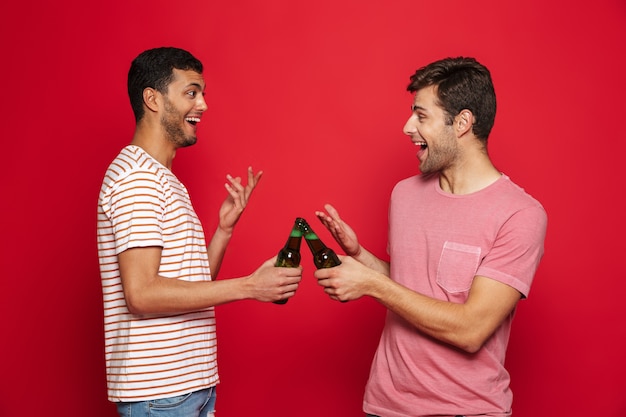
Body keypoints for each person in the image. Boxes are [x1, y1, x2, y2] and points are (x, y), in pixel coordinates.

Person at [314, 57, 547, 417]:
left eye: (422, 116)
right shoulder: (404, 195)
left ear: (463, 123)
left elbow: (471, 329)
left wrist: (371, 285)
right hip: (384, 406)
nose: (408, 127)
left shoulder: (520, 214)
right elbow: (414, 286)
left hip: (465, 410)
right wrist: (361, 257)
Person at [96, 46, 302, 417]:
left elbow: (191, 286)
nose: (203, 104)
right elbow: (142, 294)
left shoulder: (163, 179)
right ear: (152, 99)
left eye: (202, 93)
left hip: (188, 387)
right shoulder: (138, 179)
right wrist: (250, 286)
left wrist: (223, 231)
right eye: (191, 92)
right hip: (161, 394)